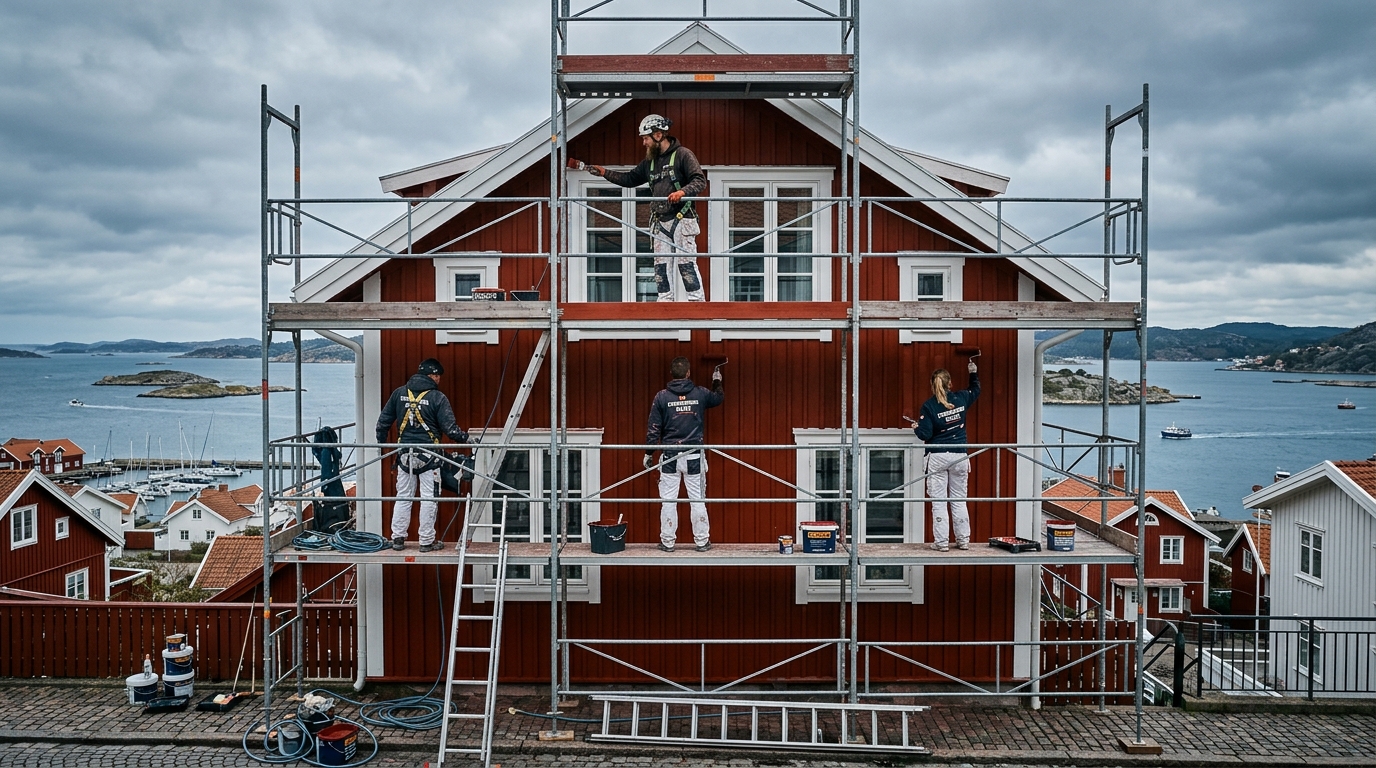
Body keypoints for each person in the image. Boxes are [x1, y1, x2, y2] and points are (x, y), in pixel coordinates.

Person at [587, 114, 708, 302]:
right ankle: (665, 301)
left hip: (682, 218)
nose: (644, 143)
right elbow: (629, 179)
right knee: (661, 265)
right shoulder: (650, 163)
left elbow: (700, 180)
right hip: (660, 220)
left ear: (658, 135)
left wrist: (682, 192)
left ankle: (696, 301)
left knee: (686, 263)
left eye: (645, 138)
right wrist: (604, 173)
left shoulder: (683, 155)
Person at [376, 358, 469, 552]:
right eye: (438, 376)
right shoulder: (437, 398)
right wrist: (467, 439)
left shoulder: (399, 394)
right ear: (433, 376)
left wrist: (383, 445)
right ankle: (426, 541)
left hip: (404, 456)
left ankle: (398, 538)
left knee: (403, 496)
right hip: (429, 456)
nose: (439, 380)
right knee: (429, 498)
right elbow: (450, 430)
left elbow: (383, 423)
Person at [645, 356, 724, 552]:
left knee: (669, 500)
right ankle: (702, 541)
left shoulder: (662, 397)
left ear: (672, 374)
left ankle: (668, 541)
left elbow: (653, 428)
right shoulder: (700, 393)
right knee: (697, 499)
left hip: (670, 456)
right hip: (694, 454)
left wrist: (648, 453)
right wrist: (717, 381)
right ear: (688, 373)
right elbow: (718, 398)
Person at [914, 359, 981, 551]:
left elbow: (925, 434)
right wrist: (973, 373)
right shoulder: (961, 398)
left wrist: (917, 428)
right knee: (959, 500)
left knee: (939, 502)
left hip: (937, 456)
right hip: (960, 455)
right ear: (950, 383)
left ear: (933, 385)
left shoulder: (929, 406)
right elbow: (975, 390)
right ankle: (963, 541)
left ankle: (942, 543)